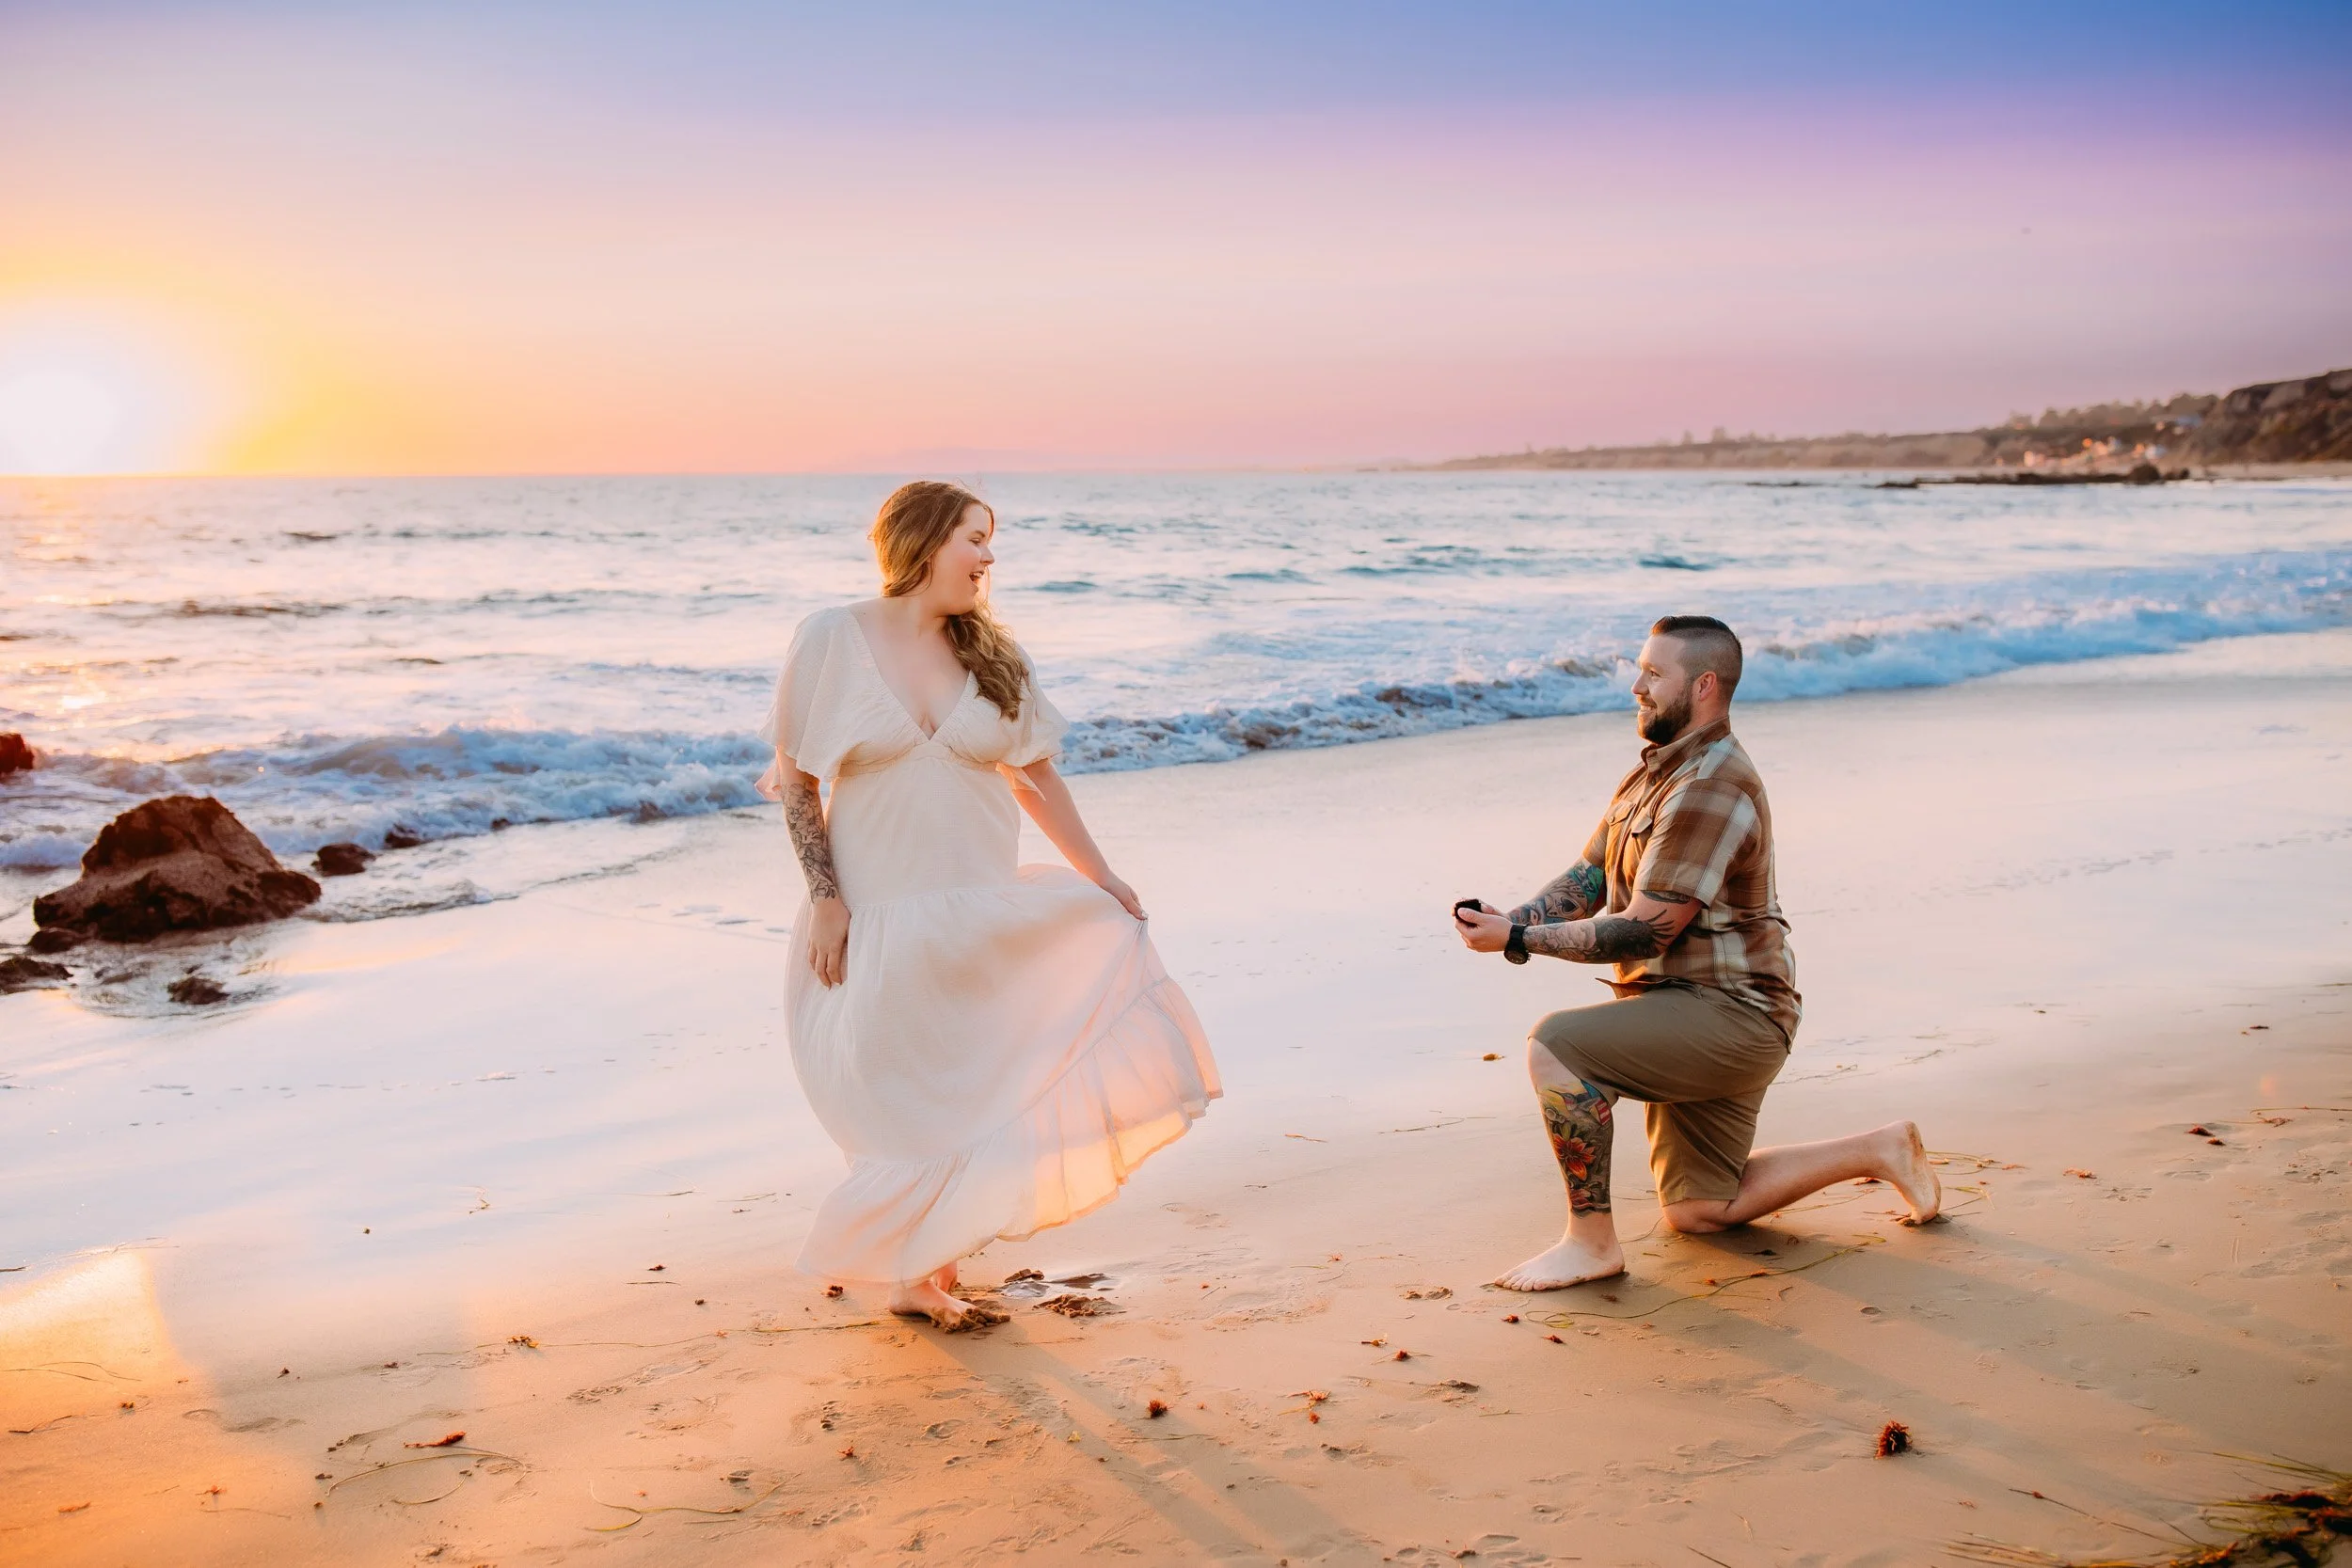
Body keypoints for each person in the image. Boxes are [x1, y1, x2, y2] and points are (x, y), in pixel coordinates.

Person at [758, 481, 1220, 1329]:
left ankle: (926, 1273)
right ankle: (911, 1272)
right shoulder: (831, 636)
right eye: (976, 538)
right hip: (879, 917)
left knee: (969, 1086)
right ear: (927, 539)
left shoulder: (993, 655)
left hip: (979, 916)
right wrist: (825, 899)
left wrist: (1101, 876)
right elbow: (798, 780)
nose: (988, 557)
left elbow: (1037, 778)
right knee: (903, 1096)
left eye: (989, 540)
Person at [1453, 615, 1938, 1291]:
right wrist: (1515, 918)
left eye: (1655, 674)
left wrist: (1519, 941)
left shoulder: (1712, 783)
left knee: (1556, 1047)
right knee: (1701, 1209)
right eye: (1640, 670)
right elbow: (1589, 877)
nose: (1637, 686)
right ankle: (1878, 1148)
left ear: (1704, 684)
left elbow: (1645, 931)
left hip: (1733, 1014)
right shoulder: (1651, 774)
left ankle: (1590, 1243)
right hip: (1685, 1008)